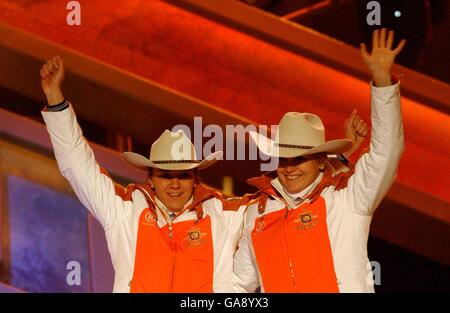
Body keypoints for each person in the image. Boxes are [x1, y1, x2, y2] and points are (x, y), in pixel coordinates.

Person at [39, 56, 248, 292]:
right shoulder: (124, 209)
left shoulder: (226, 214)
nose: (175, 184)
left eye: (183, 175)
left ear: (196, 178)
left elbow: (286, 206)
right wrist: (55, 97)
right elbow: (77, 164)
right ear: (150, 178)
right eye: (165, 175)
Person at [233, 28, 405, 293]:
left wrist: (382, 82)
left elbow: (387, 152)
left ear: (321, 161)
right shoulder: (258, 212)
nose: (289, 168)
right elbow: (239, 285)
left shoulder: (348, 199)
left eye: (299, 159)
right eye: (284, 159)